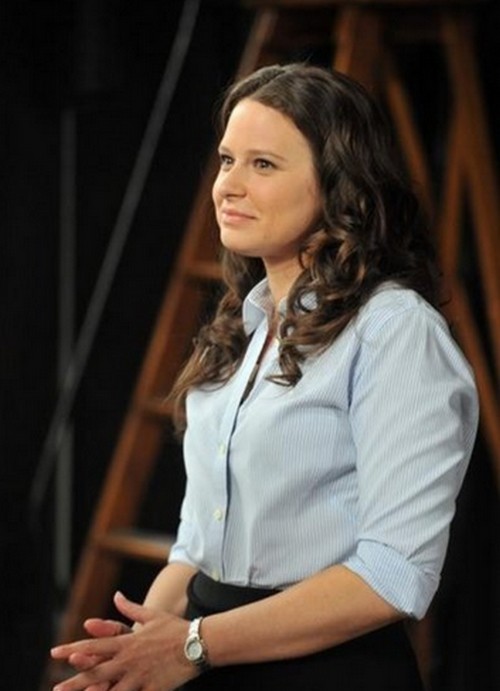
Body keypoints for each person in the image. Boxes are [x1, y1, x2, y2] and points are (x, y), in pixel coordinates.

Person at [51, 63, 479, 691]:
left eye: (263, 164)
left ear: (339, 187)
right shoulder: (242, 330)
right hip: (208, 658)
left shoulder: (395, 331)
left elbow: (392, 575)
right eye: (228, 160)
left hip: (327, 671)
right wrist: (132, 658)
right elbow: (196, 551)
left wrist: (191, 646)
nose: (228, 185)